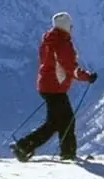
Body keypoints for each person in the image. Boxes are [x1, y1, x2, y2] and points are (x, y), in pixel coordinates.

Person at [14, 12, 97, 162]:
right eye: (70, 25)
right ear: (66, 26)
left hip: (46, 85)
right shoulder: (62, 43)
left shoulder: (48, 40)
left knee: (55, 123)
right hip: (55, 88)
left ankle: (25, 146)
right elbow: (71, 68)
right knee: (66, 120)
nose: (72, 28)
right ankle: (66, 153)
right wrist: (88, 76)